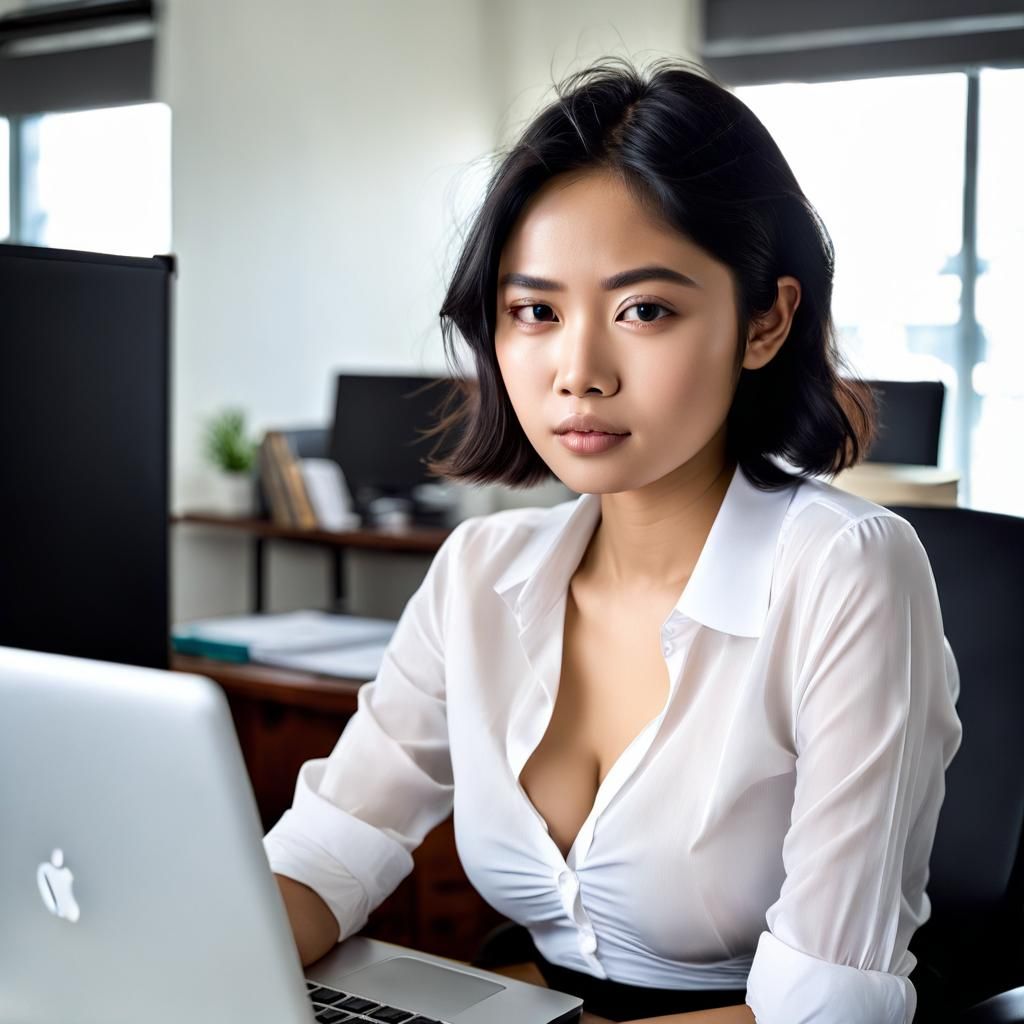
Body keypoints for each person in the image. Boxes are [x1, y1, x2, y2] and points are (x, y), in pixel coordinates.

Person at [263, 56, 963, 1023]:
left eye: (644, 310)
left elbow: (826, 1013)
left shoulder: (846, 571)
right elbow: (325, 856)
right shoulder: (480, 572)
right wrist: (197, 955)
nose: (578, 370)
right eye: (535, 312)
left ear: (765, 320)